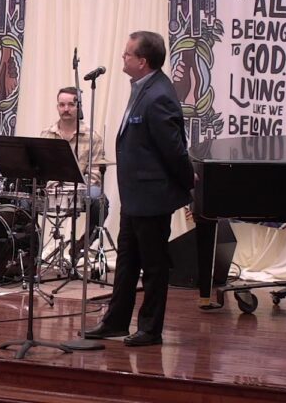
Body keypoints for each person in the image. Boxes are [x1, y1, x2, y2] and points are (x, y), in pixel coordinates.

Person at [84, 31, 194, 346]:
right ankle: (116, 322)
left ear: (142, 61)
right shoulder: (142, 87)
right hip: (135, 197)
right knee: (128, 261)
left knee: (154, 265)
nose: (123, 57)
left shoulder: (158, 94)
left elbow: (174, 149)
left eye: (127, 54)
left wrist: (188, 181)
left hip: (152, 197)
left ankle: (150, 328)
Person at [40, 86, 106, 246]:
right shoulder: (47, 134)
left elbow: (95, 174)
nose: (66, 109)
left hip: (82, 189)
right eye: (62, 105)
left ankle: (81, 245)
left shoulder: (93, 137)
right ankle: (29, 252)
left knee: (100, 201)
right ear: (57, 107)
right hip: (53, 187)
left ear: (79, 107)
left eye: (71, 104)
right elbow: (42, 168)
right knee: (24, 202)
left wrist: (78, 188)